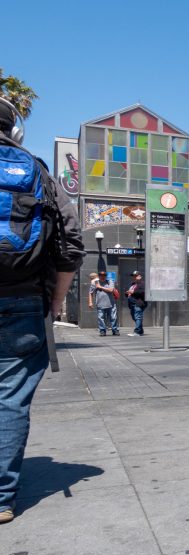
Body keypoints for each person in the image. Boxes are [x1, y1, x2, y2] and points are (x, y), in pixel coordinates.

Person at [0, 97, 84, 524]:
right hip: (21, 298)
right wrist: (56, 301)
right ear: (16, 130)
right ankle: (1, 497)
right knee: (10, 398)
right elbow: (71, 244)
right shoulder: (36, 172)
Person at [88, 270, 119, 336]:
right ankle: (102, 330)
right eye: (101, 275)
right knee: (101, 318)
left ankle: (115, 330)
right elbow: (90, 293)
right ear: (99, 276)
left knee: (113, 317)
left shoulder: (110, 281)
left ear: (106, 276)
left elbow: (111, 290)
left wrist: (100, 287)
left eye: (104, 275)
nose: (103, 276)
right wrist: (90, 302)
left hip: (111, 303)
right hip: (100, 304)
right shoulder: (94, 283)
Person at [125, 270, 146, 336]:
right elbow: (131, 292)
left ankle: (137, 332)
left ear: (140, 276)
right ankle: (140, 331)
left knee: (138, 317)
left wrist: (133, 292)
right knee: (134, 317)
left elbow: (143, 292)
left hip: (139, 303)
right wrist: (127, 293)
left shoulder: (142, 283)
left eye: (136, 276)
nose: (134, 277)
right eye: (133, 276)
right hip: (132, 303)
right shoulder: (133, 284)